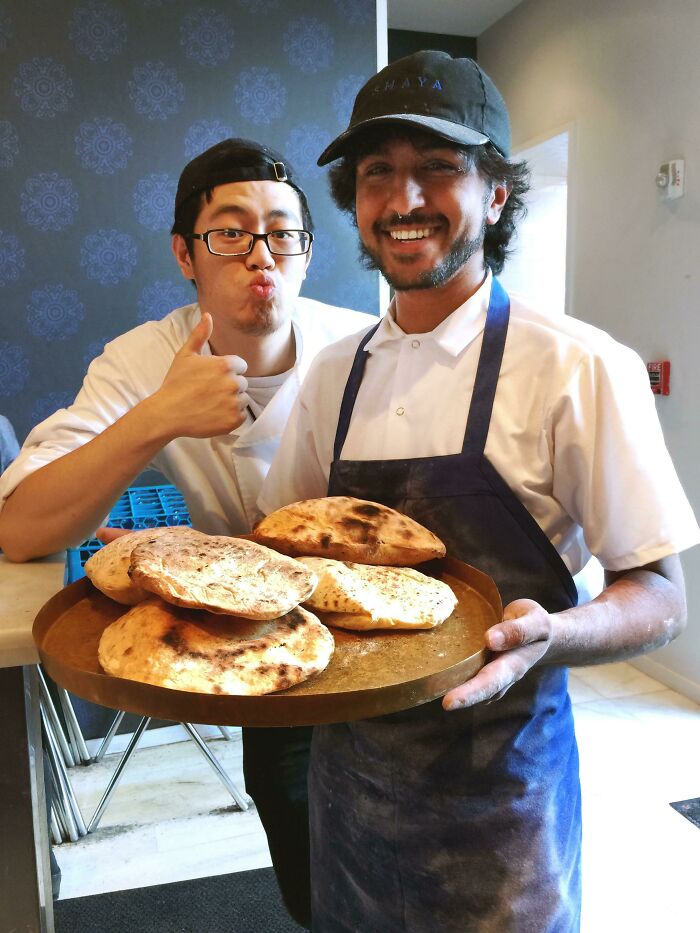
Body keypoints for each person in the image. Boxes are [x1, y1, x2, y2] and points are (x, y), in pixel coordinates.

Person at [258, 51, 700, 932]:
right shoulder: (331, 375)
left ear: (497, 192)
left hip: (502, 813)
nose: (404, 198)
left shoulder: (580, 367)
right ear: (354, 198)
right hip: (350, 797)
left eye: (439, 167)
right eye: (378, 172)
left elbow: (659, 598)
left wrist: (552, 633)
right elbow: (283, 553)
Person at [0, 137, 374, 928]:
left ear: (307, 252)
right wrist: (157, 416)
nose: (260, 254)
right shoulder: (144, 358)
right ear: (185, 253)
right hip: (264, 647)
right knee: (309, 872)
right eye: (230, 231)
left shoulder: (362, 348)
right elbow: (23, 525)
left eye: (283, 231)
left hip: (374, 646)